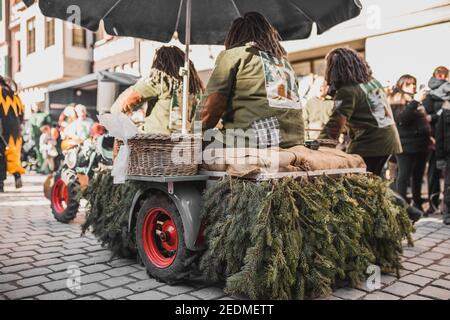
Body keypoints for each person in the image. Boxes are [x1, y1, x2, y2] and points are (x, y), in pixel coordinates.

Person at [198, 12, 304, 148]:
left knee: (187, 151)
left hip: (250, 141)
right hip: (293, 142)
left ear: (234, 36)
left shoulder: (232, 55)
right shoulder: (284, 64)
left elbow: (212, 104)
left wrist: (194, 132)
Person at [319, 48, 402, 177]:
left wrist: (319, 147)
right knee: (373, 181)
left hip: (370, 142)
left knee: (357, 183)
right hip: (390, 139)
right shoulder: (373, 82)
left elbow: (335, 123)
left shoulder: (347, 91)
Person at [111, 46, 204, 134]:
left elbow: (119, 106)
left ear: (161, 63)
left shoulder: (162, 79)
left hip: (158, 143)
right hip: (188, 144)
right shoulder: (195, 86)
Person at [389, 75, 431, 212]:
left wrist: (429, 135)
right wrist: (415, 101)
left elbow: (421, 121)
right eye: (409, 84)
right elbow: (402, 119)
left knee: (418, 176)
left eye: (414, 84)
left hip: (421, 145)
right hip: (406, 146)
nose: (413, 86)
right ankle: (401, 206)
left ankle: (417, 203)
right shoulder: (397, 100)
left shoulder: (416, 101)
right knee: (404, 176)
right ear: (401, 86)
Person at [423, 66, 450, 215]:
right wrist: (437, 115)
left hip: (445, 136)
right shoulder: (429, 95)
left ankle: (445, 206)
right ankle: (433, 204)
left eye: (444, 74)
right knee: (433, 172)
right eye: (439, 74)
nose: (442, 77)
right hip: (434, 137)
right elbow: (425, 117)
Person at [0, 76, 25, 190]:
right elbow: (21, 114)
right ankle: (17, 175)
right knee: (13, 154)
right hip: (15, 129)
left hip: (2, 128)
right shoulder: (15, 95)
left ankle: (0, 184)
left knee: (1, 156)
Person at [435, 87, 450, 225]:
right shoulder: (445, 113)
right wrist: (439, 157)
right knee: (449, 185)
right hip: (448, 154)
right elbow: (439, 136)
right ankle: (448, 214)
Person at [28, 102, 52, 172]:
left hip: (44, 136)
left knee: (45, 152)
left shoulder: (45, 115)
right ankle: (41, 167)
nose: (35, 108)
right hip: (35, 137)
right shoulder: (32, 116)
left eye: (35, 106)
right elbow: (31, 128)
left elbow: (49, 124)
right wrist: (30, 137)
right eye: (33, 106)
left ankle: (46, 169)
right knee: (38, 152)